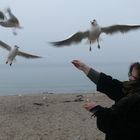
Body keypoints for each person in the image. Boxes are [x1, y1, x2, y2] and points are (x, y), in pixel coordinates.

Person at [72, 60, 140, 140]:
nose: (130, 78)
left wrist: (97, 110)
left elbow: (114, 121)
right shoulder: (129, 88)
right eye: (130, 75)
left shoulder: (134, 98)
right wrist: (84, 68)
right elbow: (108, 83)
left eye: (134, 77)